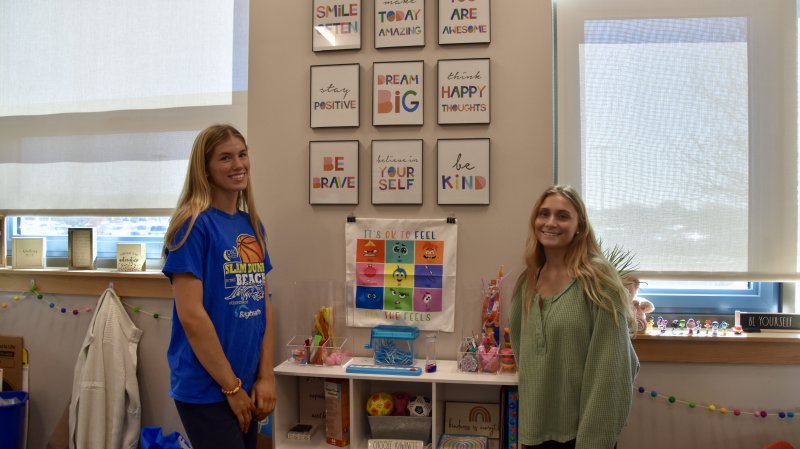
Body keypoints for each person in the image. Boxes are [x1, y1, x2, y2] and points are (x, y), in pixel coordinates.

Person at [162, 124, 276, 449]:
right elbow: (191, 316)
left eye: (242, 154)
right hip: (207, 388)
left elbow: (263, 304)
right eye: (225, 158)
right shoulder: (192, 225)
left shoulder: (251, 224)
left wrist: (265, 376)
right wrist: (231, 388)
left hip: (247, 382)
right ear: (206, 169)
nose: (238, 165)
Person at [508, 185, 639, 449]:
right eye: (543, 214)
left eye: (562, 216)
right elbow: (525, 356)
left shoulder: (599, 283)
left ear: (579, 225)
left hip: (583, 436)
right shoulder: (527, 282)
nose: (550, 223)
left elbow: (611, 370)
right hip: (535, 432)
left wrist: (593, 441)